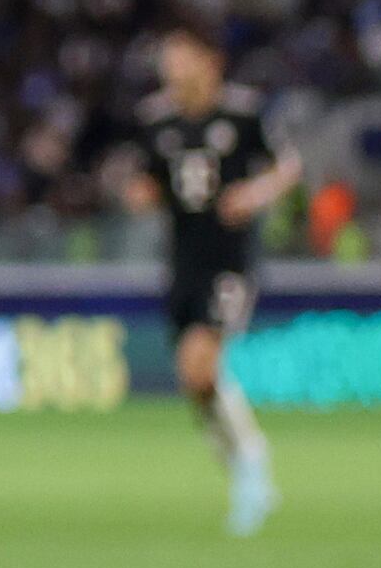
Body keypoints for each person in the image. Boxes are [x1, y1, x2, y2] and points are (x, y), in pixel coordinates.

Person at [100, 28, 294, 533]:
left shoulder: (244, 114)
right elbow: (146, 180)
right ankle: (243, 467)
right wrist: (139, 193)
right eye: (167, 61)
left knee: (201, 364)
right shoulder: (154, 120)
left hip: (229, 261)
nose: (172, 70)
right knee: (195, 383)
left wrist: (254, 195)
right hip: (182, 263)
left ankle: (252, 464)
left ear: (211, 62)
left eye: (181, 59)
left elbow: (287, 167)